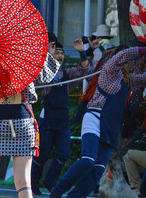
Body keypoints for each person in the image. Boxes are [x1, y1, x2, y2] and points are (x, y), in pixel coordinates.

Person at [50, 45, 146, 198]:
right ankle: (58, 190)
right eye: (132, 60)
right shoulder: (110, 69)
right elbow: (125, 54)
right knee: (88, 160)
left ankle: (75, 196)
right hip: (95, 118)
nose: (133, 63)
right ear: (124, 59)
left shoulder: (128, 79)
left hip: (110, 127)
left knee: (98, 169)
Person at [0, 39, 60, 198]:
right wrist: (44, 51)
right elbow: (46, 76)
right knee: (23, 183)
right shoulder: (25, 55)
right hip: (21, 119)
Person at [31, 38, 94, 195]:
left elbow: (84, 71)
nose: (60, 55)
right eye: (56, 52)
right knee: (42, 154)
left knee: (64, 154)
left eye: (62, 53)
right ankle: (32, 183)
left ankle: (50, 181)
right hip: (48, 118)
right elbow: (38, 83)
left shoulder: (67, 74)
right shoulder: (44, 74)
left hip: (63, 119)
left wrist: (83, 51)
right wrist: (46, 57)